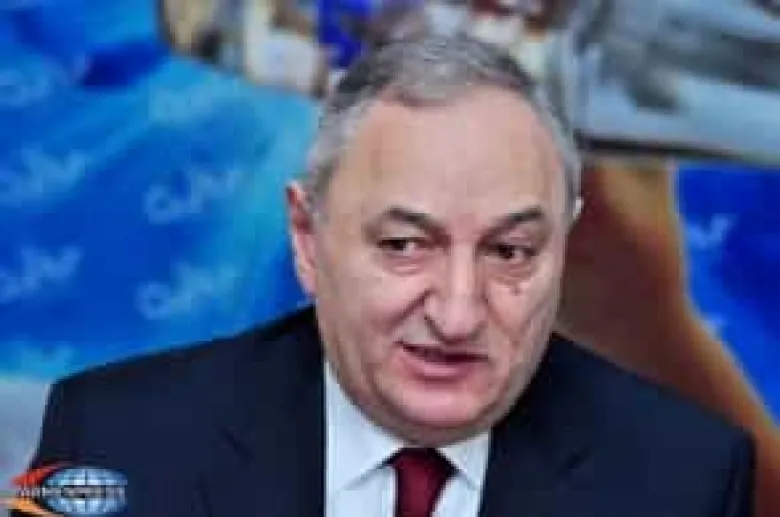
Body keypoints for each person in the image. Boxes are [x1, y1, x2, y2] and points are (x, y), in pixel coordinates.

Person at [18, 35, 754, 517]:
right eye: (404, 245)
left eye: (510, 252)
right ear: (308, 238)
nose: (458, 314)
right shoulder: (109, 436)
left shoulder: (688, 477)